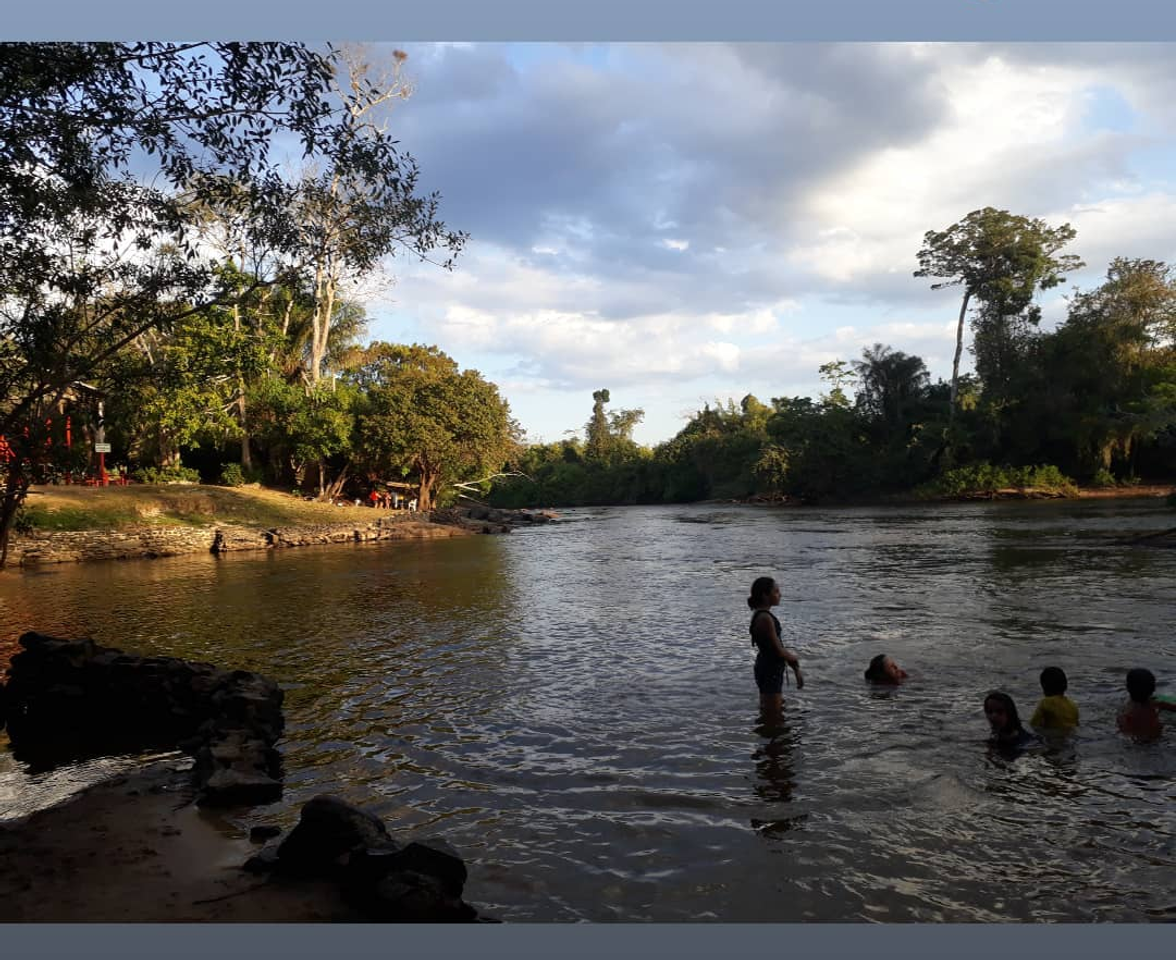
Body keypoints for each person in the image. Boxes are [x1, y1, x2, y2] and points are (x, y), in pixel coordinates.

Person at [747, 576, 803, 714]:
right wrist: (794, 660)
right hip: (769, 670)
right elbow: (778, 650)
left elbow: (776, 648)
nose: (780, 594)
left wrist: (792, 665)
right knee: (774, 715)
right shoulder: (765, 618)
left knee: (769, 711)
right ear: (765, 595)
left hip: (768, 667)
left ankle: (767, 733)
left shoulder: (761, 615)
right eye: (776, 591)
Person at [1117, 668, 1176, 741]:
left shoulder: (1125, 714)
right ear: (1154, 688)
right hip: (1158, 739)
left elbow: (1125, 733)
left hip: (1137, 743)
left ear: (1127, 687)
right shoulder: (1156, 704)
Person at [1029, 666, 1079, 733]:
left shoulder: (1045, 703)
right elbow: (1077, 725)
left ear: (1044, 686)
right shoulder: (1072, 705)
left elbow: (1033, 724)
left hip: (1052, 738)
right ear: (1065, 685)